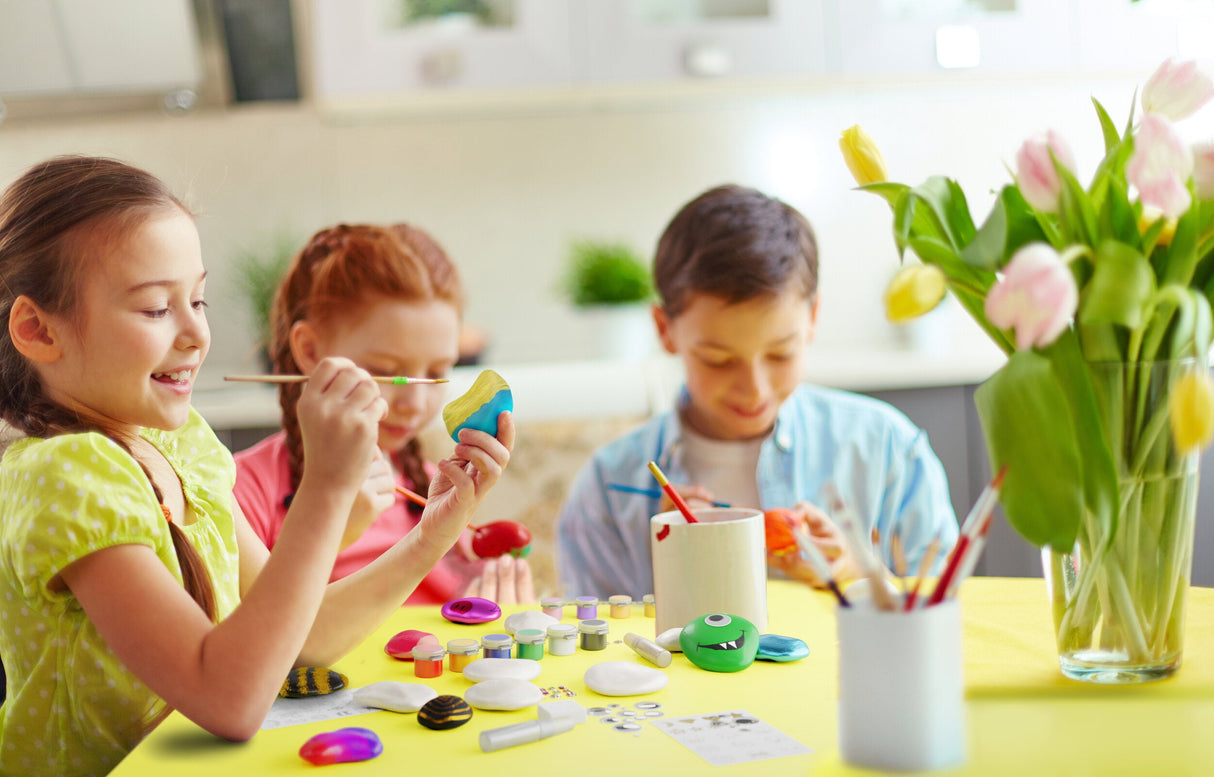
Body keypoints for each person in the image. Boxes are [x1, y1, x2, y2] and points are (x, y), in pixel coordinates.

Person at [0, 156, 512, 777]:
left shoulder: (180, 442)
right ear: (36, 329)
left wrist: (436, 531)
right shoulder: (65, 473)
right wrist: (325, 489)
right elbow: (229, 701)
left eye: (198, 299)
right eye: (156, 309)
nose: (197, 335)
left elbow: (300, 641)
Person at [556, 184, 958, 600]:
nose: (754, 389)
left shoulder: (886, 448)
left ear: (813, 317)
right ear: (664, 329)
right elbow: (594, 647)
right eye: (717, 359)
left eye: (781, 354)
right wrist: (671, 572)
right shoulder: (609, 487)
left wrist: (853, 572)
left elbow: (950, 612)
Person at [233, 223, 533, 604]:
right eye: (390, 372)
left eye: (437, 373)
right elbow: (256, 639)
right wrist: (331, 527)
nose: (414, 402)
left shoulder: (430, 487)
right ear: (309, 351)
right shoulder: (244, 492)